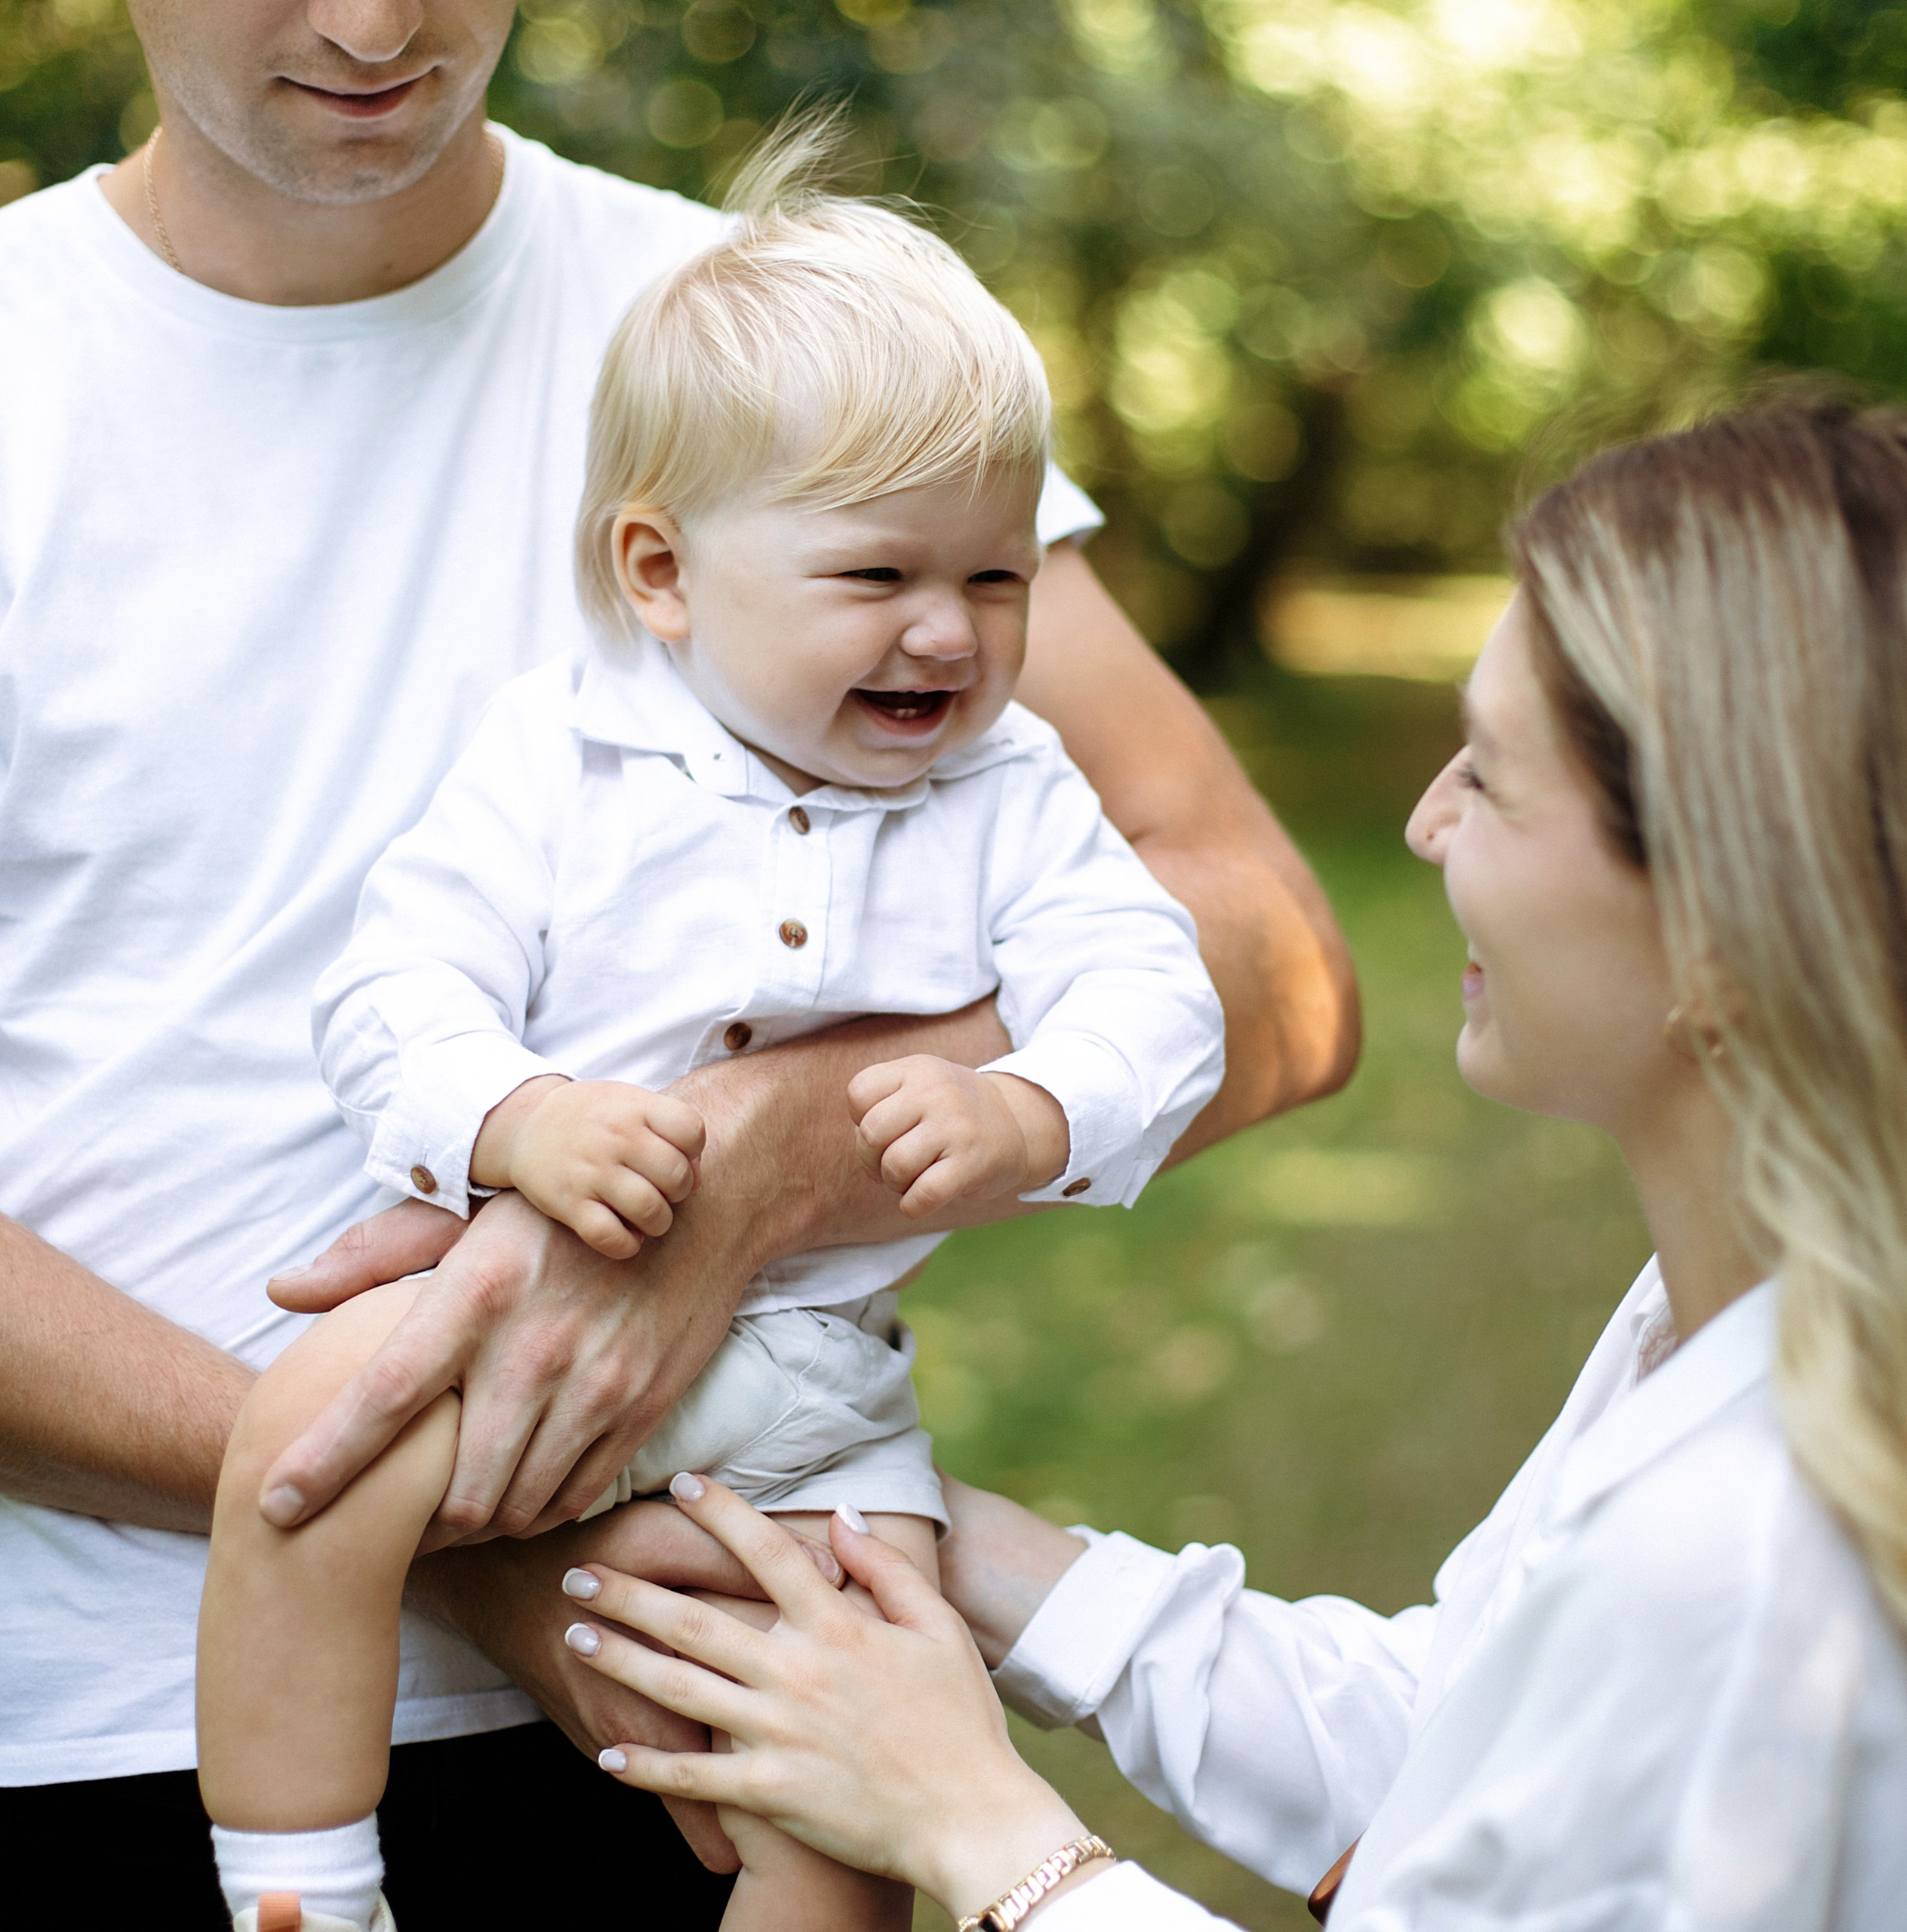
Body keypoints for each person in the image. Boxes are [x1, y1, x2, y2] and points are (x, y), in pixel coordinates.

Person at [0, 2, 1355, 1921]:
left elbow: (1261, 950)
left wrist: (757, 1165)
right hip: (114, 1714)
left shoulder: (801, 348)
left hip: (709, 1637)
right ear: (648, 570)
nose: (371, 25)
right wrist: (457, 1513)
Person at [555, 398, 1907, 1930]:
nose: (1423, 820)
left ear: (1724, 922)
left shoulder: (1748, 1556)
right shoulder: (1727, 1322)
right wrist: (913, 1525)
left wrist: (984, 1828)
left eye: (1488, 774)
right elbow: (1460, 1739)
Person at [195, 141, 1226, 1932]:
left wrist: (1033, 1105)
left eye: (996, 579)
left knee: (850, 1774)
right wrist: (515, 1114)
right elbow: (391, 990)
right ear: (661, 570)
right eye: (876, 573)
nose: (947, 632)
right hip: (516, 1310)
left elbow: (1157, 987)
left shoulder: (1010, 790)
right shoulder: (560, 762)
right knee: (307, 1451)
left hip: (817, 1391)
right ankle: (302, 1879)